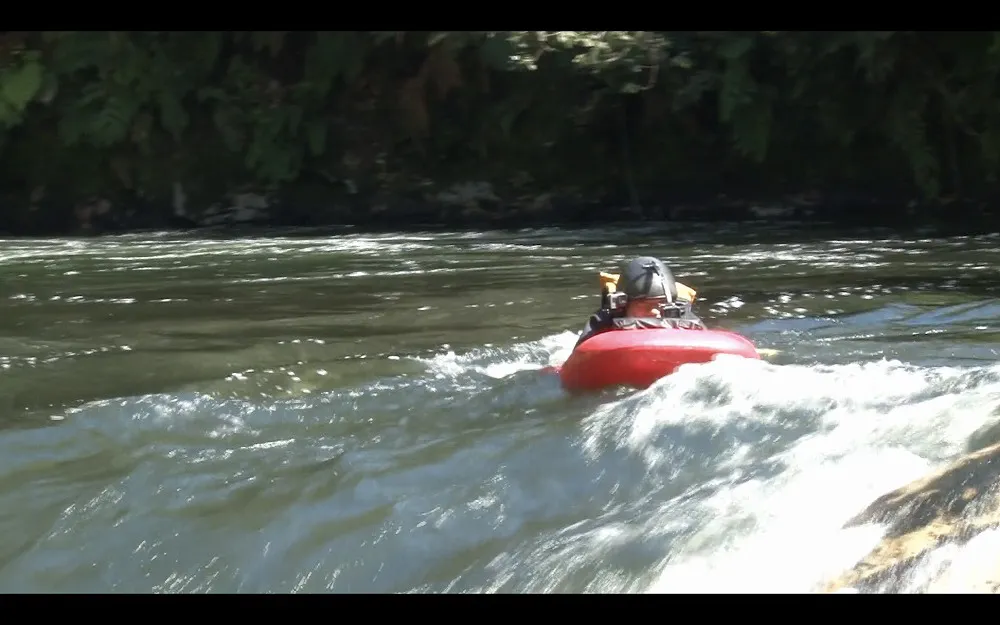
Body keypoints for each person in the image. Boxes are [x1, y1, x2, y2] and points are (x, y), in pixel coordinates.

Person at [573, 256, 706, 348]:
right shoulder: (604, 319)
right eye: (644, 305)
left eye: (661, 305)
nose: (655, 312)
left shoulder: (680, 314)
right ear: (623, 305)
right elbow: (578, 359)